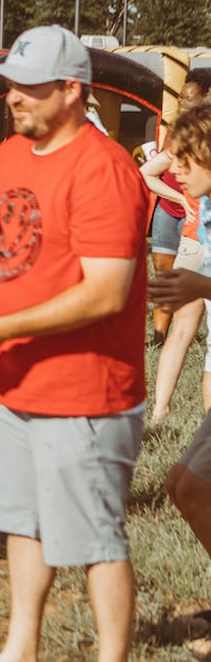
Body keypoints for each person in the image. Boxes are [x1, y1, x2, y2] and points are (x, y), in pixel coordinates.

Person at [0, 26, 148, 662]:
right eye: (10, 84)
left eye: (30, 89)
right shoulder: (11, 153)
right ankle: (22, 644)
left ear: (73, 90)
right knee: (23, 520)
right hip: (17, 383)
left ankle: (112, 655)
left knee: (94, 538)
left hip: (87, 392)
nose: (13, 98)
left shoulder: (106, 169)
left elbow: (105, 293)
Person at [145, 70, 211, 420]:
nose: (179, 173)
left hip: (191, 243)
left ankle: (161, 409)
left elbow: (147, 173)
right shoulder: (205, 210)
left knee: (184, 326)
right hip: (193, 238)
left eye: (185, 164)